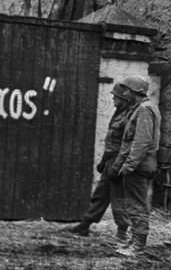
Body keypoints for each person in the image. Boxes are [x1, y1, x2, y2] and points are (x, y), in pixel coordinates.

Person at [69, 81, 130, 239]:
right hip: (110, 160)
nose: (113, 99)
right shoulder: (118, 113)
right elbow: (112, 141)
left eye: (115, 96)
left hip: (119, 161)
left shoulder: (129, 116)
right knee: (101, 194)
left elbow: (127, 144)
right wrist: (103, 161)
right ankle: (85, 225)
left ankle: (122, 232)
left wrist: (118, 164)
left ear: (123, 98)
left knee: (118, 198)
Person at [108, 75, 161, 256]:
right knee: (134, 205)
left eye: (127, 90)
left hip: (139, 166)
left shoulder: (144, 110)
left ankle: (138, 246)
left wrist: (129, 165)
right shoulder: (141, 108)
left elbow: (141, 142)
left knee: (137, 206)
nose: (124, 93)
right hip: (138, 165)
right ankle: (133, 241)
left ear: (136, 92)